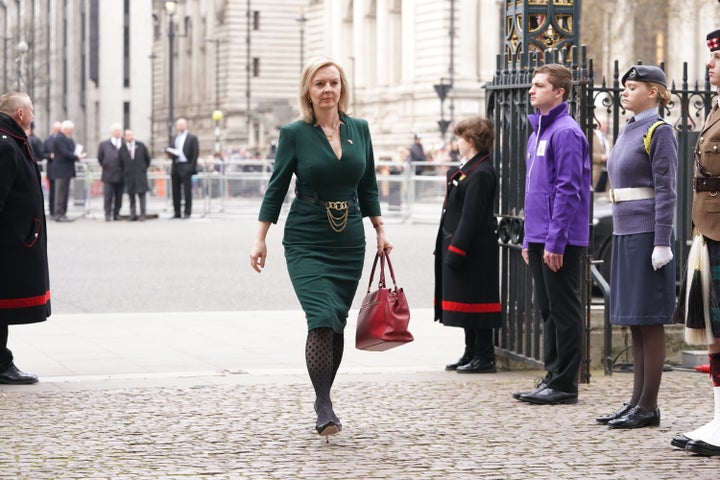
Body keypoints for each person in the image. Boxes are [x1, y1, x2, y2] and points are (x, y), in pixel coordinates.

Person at [249, 57, 391, 441]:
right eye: (320, 84)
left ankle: (325, 399)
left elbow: (369, 186)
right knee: (321, 316)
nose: (328, 90)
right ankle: (323, 404)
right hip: (306, 237)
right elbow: (277, 186)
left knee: (338, 320)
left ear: (342, 88)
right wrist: (260, 237)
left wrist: (379, 229)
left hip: (348, 241)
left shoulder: (359, 129)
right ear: (308, 91)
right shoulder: (294, 133)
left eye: (334, 83)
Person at [595, 65, 677, 429]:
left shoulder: (659, 132)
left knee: (650, 320)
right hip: (626, 231)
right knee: (633, 321)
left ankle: (649, 405)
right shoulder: (629, 129)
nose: (625, 92)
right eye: (624, 87)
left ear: (655, 92)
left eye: (633, 87)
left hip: (647, 234)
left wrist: (662, 241)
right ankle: (635, 402)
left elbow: (667, 191)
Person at [513, 64, 591, 405]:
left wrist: (555, 240)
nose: (531, 90)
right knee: (547, 309)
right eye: (532, 85)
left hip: (562, 239)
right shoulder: (537, 134)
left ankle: (565, 384)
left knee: (564, 309)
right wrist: (530, 239)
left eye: (539, 85)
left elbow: (569, 189)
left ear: (558, 92)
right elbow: (535, 192)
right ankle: (552, 375)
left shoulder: (567, 133)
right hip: (540, 236)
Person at [671, 29, 720, 456]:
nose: (710, 64)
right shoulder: (716, 109)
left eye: (717, 59)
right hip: (708, 228)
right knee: (714, 331)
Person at [435, 116, 501, 373]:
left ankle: (484, 356)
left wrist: (456, 250)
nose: (457, 143)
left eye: (460, 138)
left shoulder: (482, 172)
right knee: (467, 303)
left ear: (471, 141)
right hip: (466, 248)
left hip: (475, 250)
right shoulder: (469, 169)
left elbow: (471, 218)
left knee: (477, 303)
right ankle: (470, 351)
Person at [0, 92, 51, 384]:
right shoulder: (6, 145)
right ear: (20, 114)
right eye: (31, 110)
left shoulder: (11, 138)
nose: (33, 115)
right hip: (8, 243)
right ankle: (2, 364)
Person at [52, 120, 85, 222]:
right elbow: (64, 152)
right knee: (60, 193)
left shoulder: (68, 139)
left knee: (65, 193)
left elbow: (72, 149)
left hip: (68, 170)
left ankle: (63, 213)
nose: (71, 132)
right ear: (65, 129)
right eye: (70, 130)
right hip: (61, 170)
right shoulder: (59, 138)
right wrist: (76, 156)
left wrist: (77, 155)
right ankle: (58, 214)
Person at [166, 117, 199, 219]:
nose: (180, 127)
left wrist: (191, 167)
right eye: (178, 125)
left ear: (186, 125)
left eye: (182, 125)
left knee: (187, 191)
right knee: (175, 191)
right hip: (176, 165)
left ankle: (187, 212)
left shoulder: (192, 138)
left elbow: (195, 153)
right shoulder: (175, 138)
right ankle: (177, 212)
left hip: (186, 165)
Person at [119, 129, 152, 221]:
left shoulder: (141, 146)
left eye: (131, 135)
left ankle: (142, 214)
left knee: (142, 195)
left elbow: (147, 159)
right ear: (125, 137)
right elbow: (120, 163)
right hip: (129, 176)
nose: (130, 137)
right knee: (131, 196)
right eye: (127, 135)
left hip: (140, 175)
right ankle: (132, 214)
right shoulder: (122, 149)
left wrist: (142, 169)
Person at [97, 123, 125, 221]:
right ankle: (107, 214)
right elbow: (100, 158)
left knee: (119, 196)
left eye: (119, 131)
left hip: (121, 174)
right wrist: (106, 165)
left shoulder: (124, 143)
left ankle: (116, 213)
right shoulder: (104, 144)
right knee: (108, 195)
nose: (117, 133)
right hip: (108, 174)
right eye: (116, 131)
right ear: (112, 132)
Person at [42, 121, 61, 217]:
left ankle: (59, 210)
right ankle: (52, 210)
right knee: (52, 191)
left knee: (60, 191)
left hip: (61, 169)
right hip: (52, 168)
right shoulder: (48, 140)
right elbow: (43, 153)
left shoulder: (63, 139)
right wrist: (50, 155)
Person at [593, 119, 612, 192]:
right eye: (604, 123)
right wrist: (600, 157)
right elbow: (586, 154)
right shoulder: (592, 136)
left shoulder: (609, 138)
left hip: (607, 172)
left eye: (607, 124)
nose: (606, 126)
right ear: (597, 124)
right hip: (596, 171)